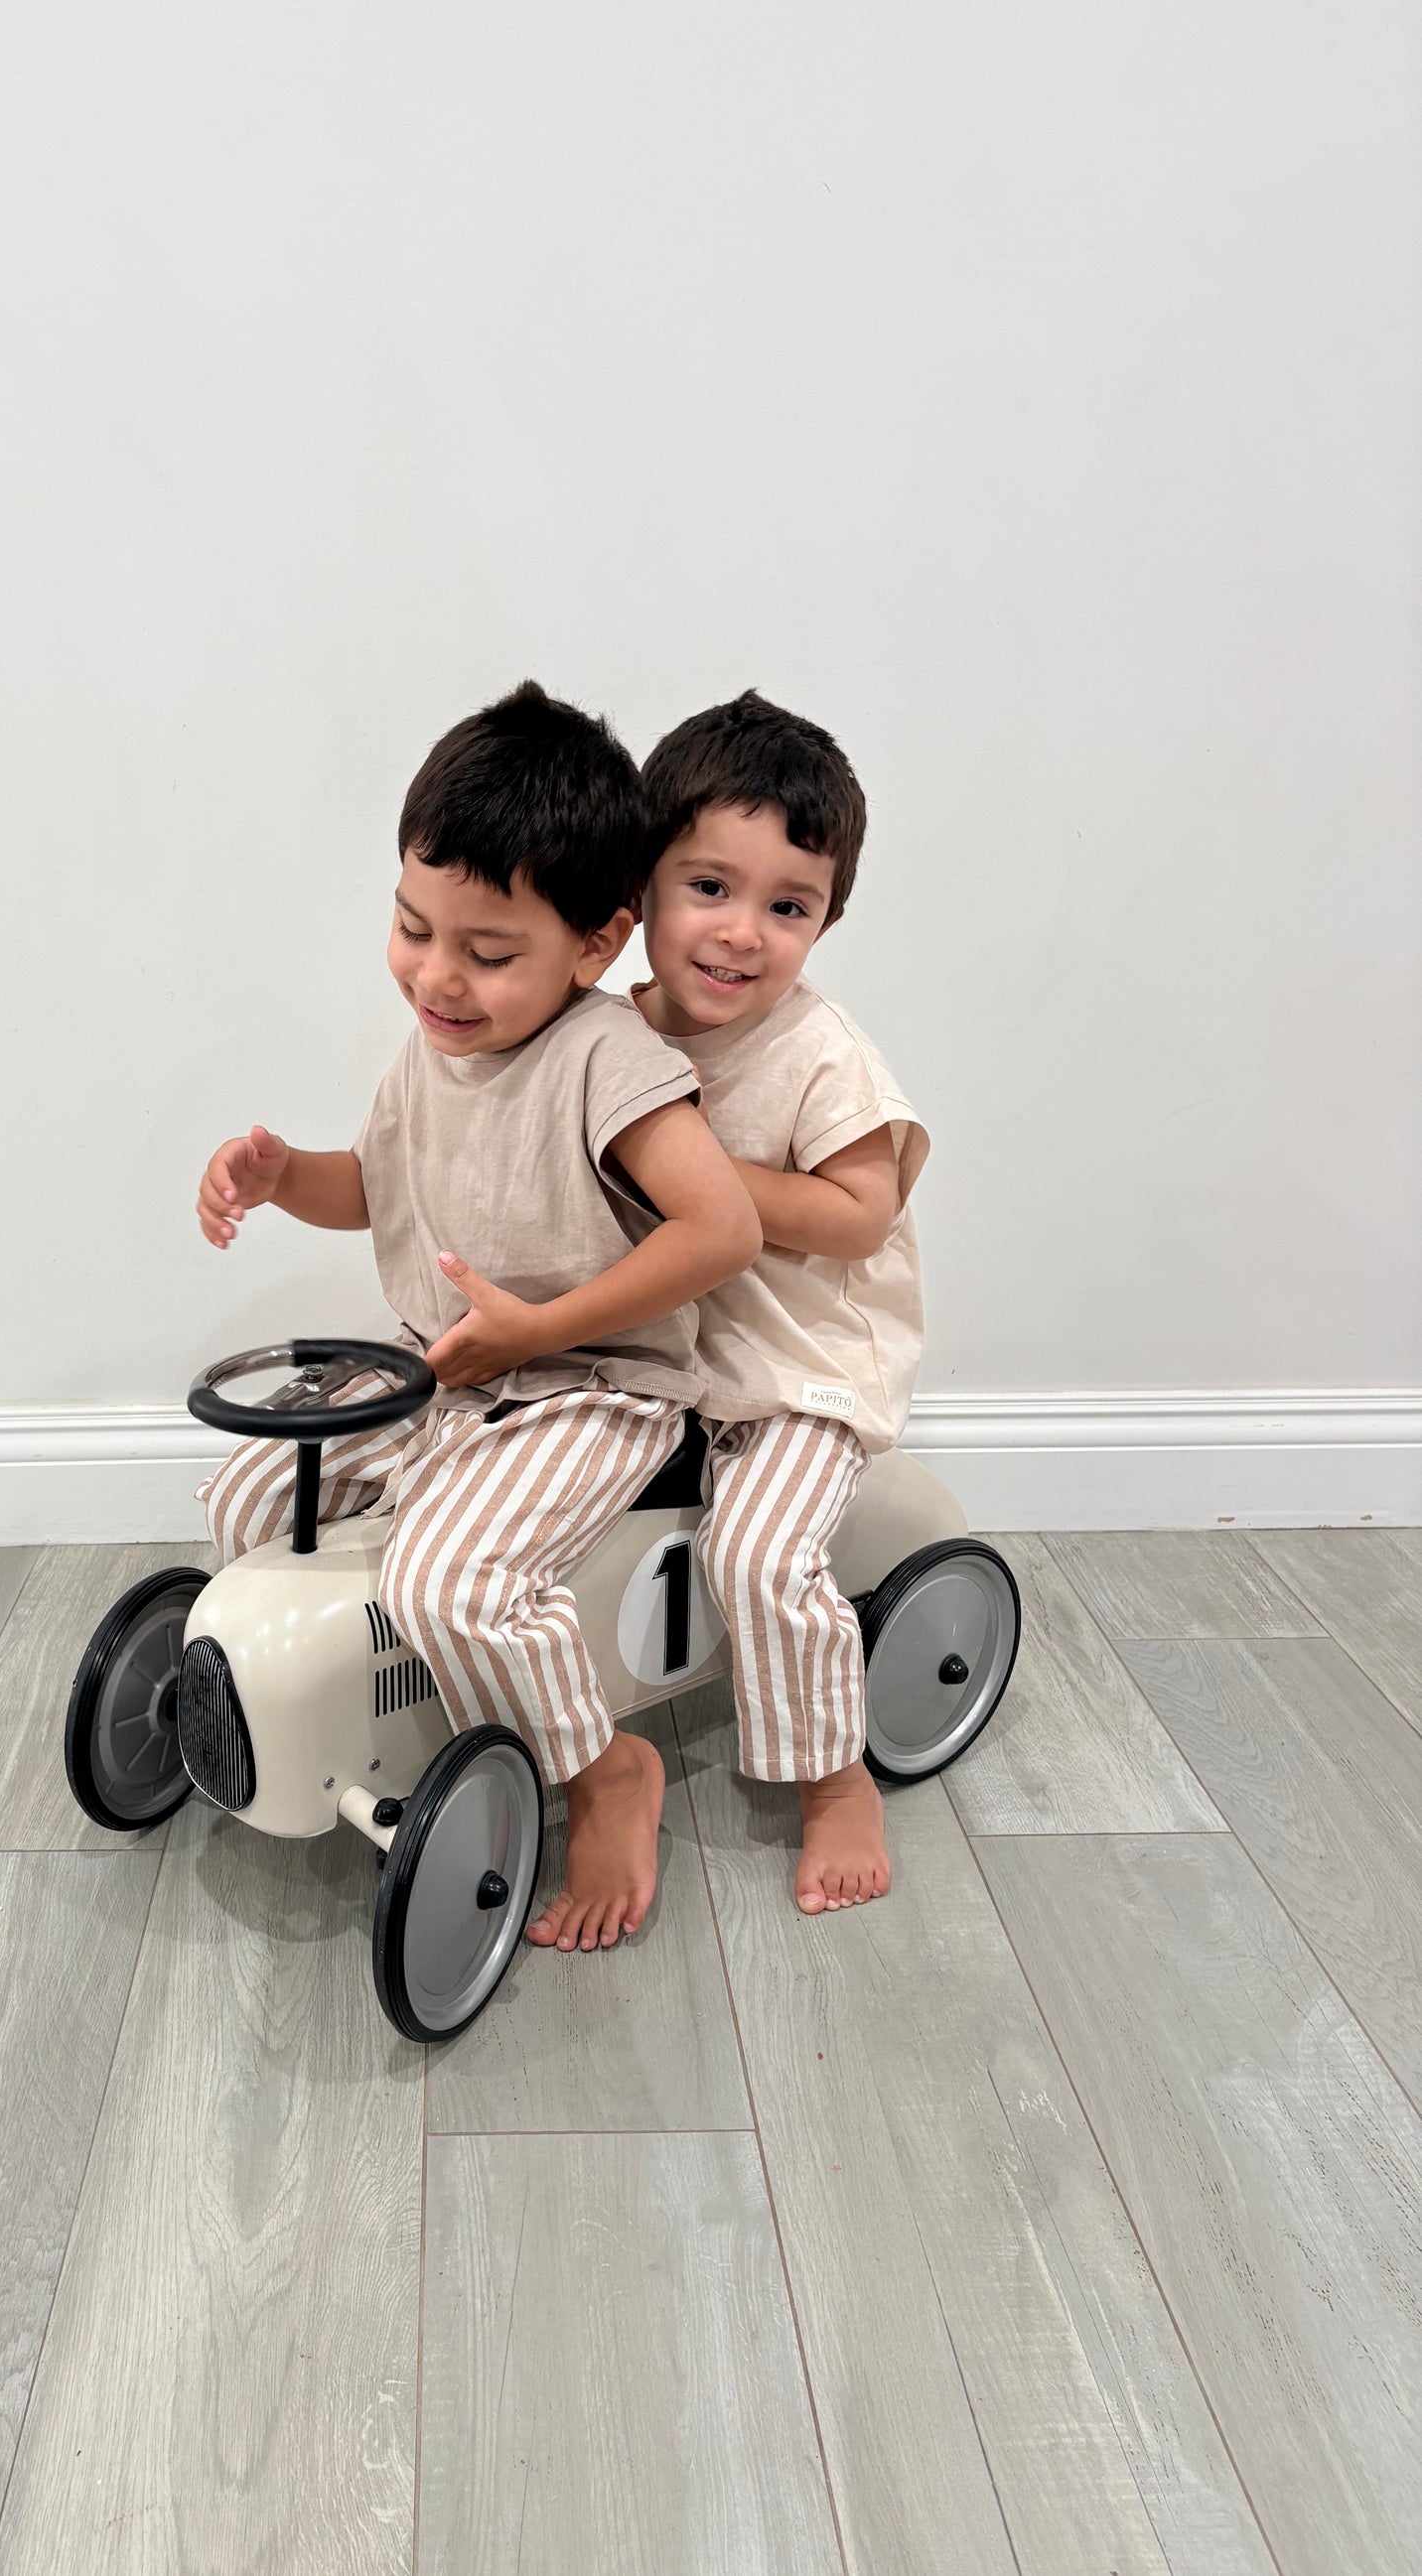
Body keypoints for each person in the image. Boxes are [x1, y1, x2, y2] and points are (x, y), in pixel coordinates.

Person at [195, 682, 761, 1952]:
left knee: (450, 1578)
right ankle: (365, 1704)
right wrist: (284, 1179)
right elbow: (378, 1186)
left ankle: (602, 1770)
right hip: (450, 1369)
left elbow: (718, 1229)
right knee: (247, 1498)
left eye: (487, 953)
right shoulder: (432, 1047)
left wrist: (541, 1331)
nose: (436, 977)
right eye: (411, 928)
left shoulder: (604, 1059)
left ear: (595, 944)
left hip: (590, 1391)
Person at [634, 691, 928, 1915]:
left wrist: (703, 1182)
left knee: (755, 1556)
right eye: (707, 887)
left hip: (794, 1364)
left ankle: (830, 1774)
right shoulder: (608, 1034)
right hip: (659, 1346)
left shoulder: (819, 1054)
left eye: (786, 907)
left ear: (825, 919)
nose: (740, 932)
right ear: (639, 885)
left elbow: (860, 1213)